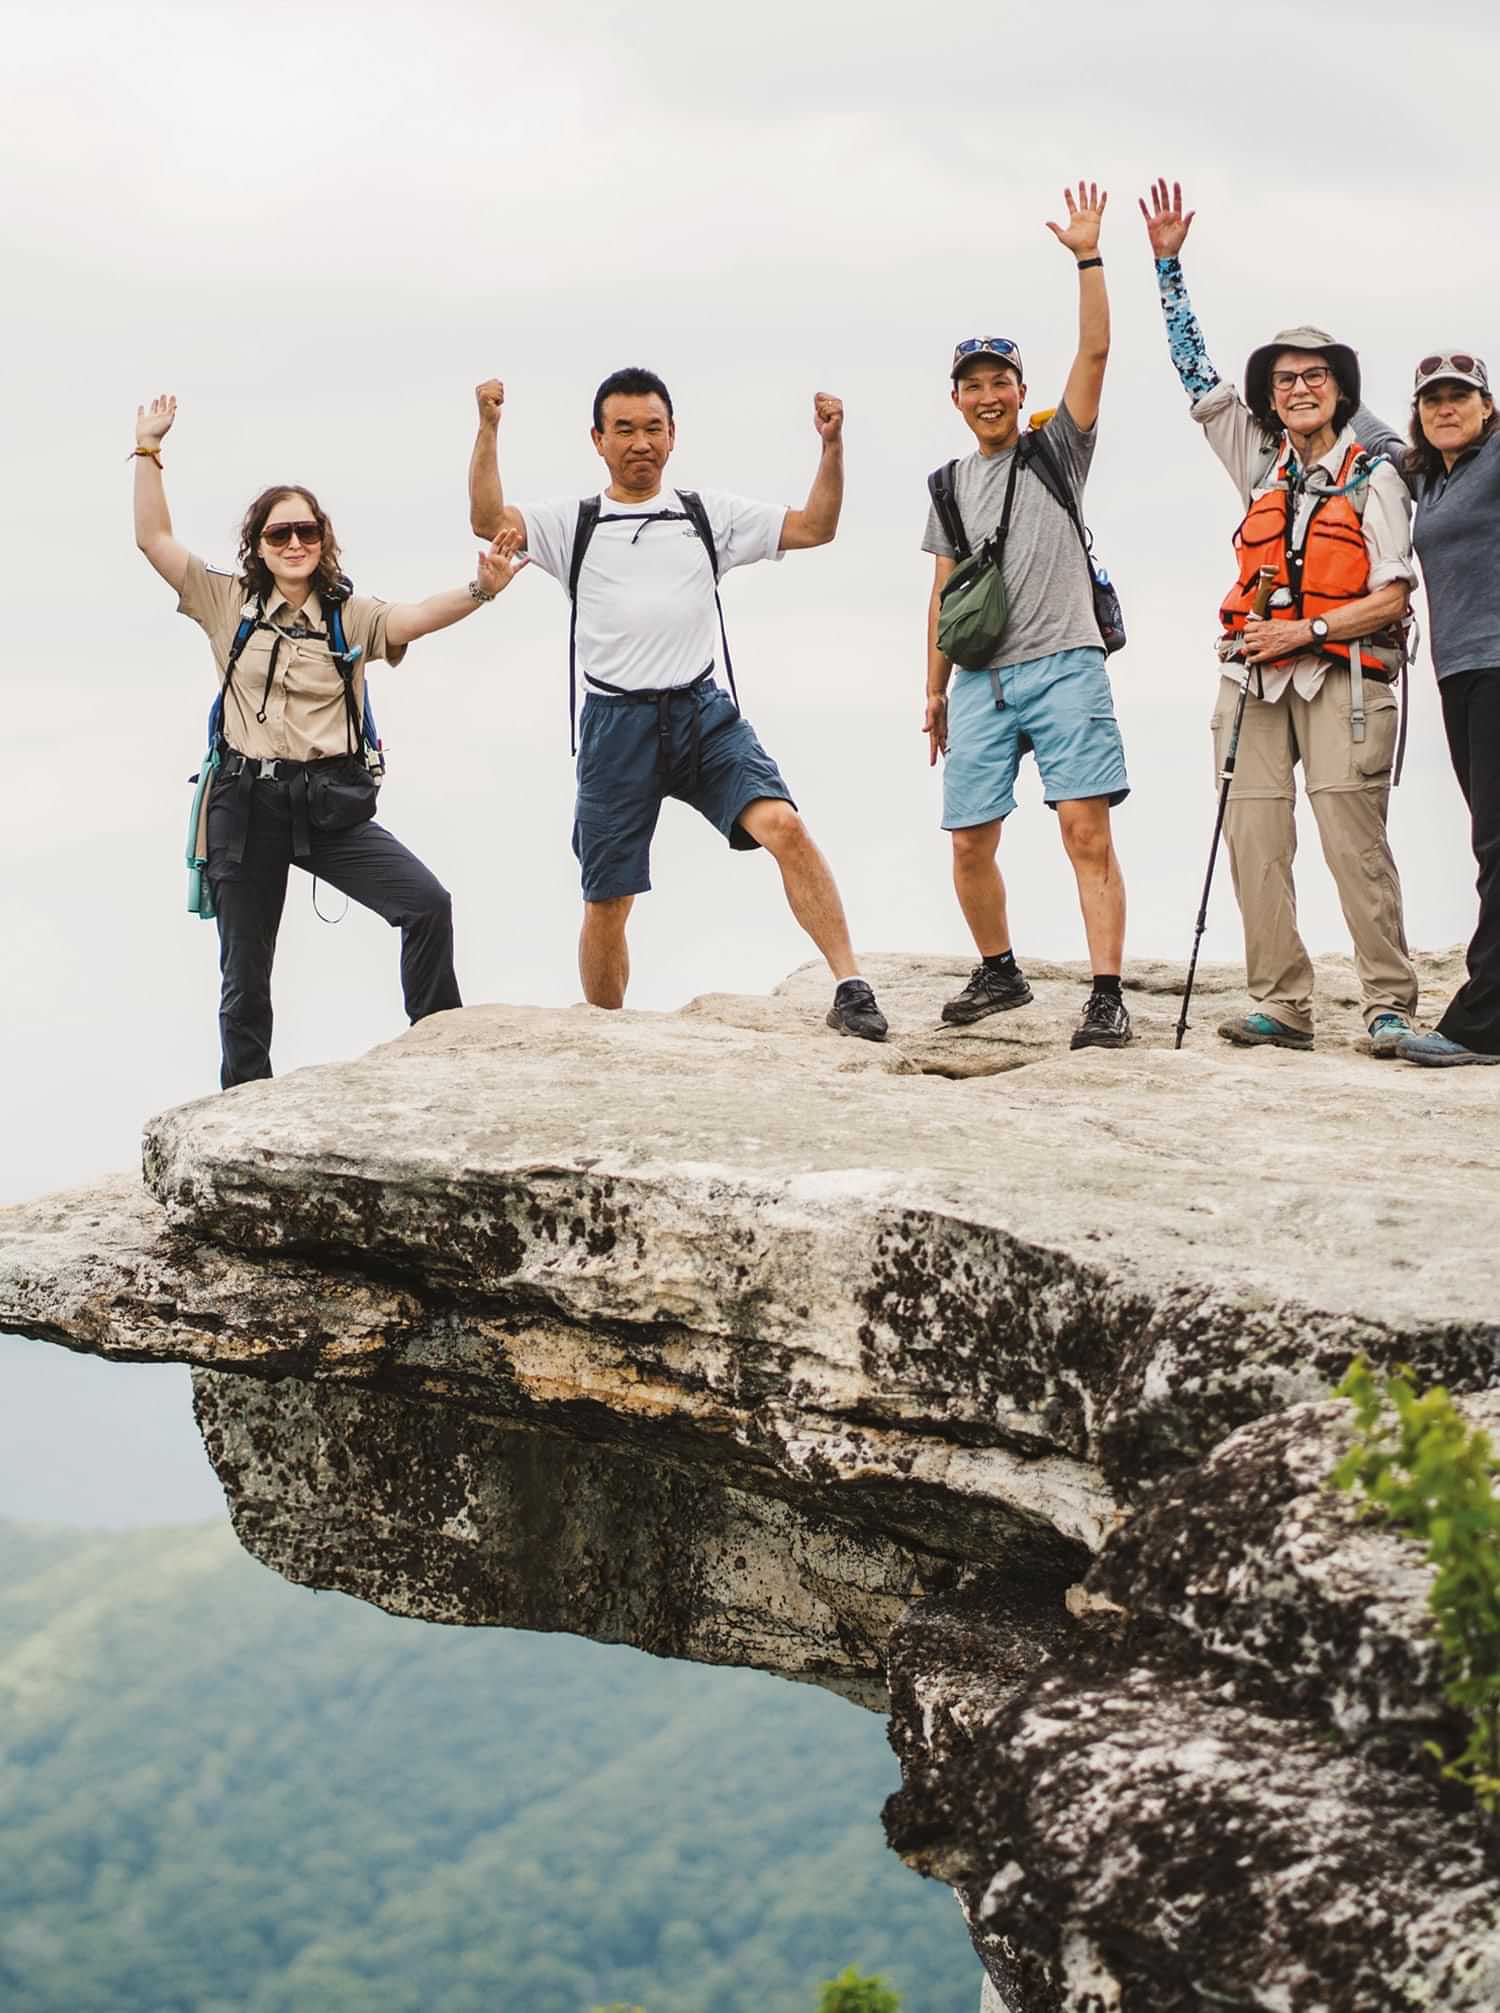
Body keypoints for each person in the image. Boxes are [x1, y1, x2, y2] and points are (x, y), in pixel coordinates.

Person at [467, 367, 888, 1041]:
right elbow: (490, 520)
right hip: (615, 725)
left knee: (784, 824)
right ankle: (608, 1035)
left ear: (673, 435)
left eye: (653, 428)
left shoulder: (704, 514)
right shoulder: (573, 523)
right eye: (625, 429)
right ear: (598, 440)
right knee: (608, 897)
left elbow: (816, 527)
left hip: (701, 714)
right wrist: (488, 429)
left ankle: (849, 984)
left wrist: (831, 448)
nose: (641, 442)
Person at [132, 393, 525, 1089]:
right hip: (246, 805)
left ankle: (445, 1064)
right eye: (280, 533)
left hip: (326, 805)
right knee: (245, 979)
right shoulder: (230, 604)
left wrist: (482, 588)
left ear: (322, 539)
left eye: (306, 532)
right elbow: (153, 541)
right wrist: (148, 451)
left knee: (426, 904)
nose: (294, 544)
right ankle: (244, 1117)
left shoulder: (349, 614)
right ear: (258, 544)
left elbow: (414, 618)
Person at [1139, 179, 1418, 1055]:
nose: (1299, 389)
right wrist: (1166, 267)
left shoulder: (1377, 473)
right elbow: (1195, 375)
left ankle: (1388, 1002)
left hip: (1344, 677)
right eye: (1287, 378)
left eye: (1316, 378)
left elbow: (1395, 592)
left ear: (1340, 392)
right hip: (1250, 678)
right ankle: (1282, 1003)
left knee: (1351, 839)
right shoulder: (1257, 458)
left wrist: (1311, 631)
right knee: (1254, 837)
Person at [922, 181, 1133, 1052]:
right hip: (979, 679)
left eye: (999, 381)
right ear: (957, 398)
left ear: (1019, 388)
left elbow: (1097, 351)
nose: (987, 395)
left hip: (1065, 662)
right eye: (972, 385)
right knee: (969, 839)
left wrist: (1087, 255)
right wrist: (932, 691)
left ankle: (1107, 993)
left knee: (1085, 831)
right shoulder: (946, 485)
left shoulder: (1057, 450)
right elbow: (941, 594)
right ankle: (1000, 971)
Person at [1359, 358, 1500, 1067]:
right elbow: (1357, 415)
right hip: (1461, 674)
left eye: (1462, 396)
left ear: (1487, 404)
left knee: (1498, 848)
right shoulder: (1425, 476)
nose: (1448, 408)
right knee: (1492, 841)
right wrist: (1319, 362)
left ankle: (1483, 1024)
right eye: (1434, 399)